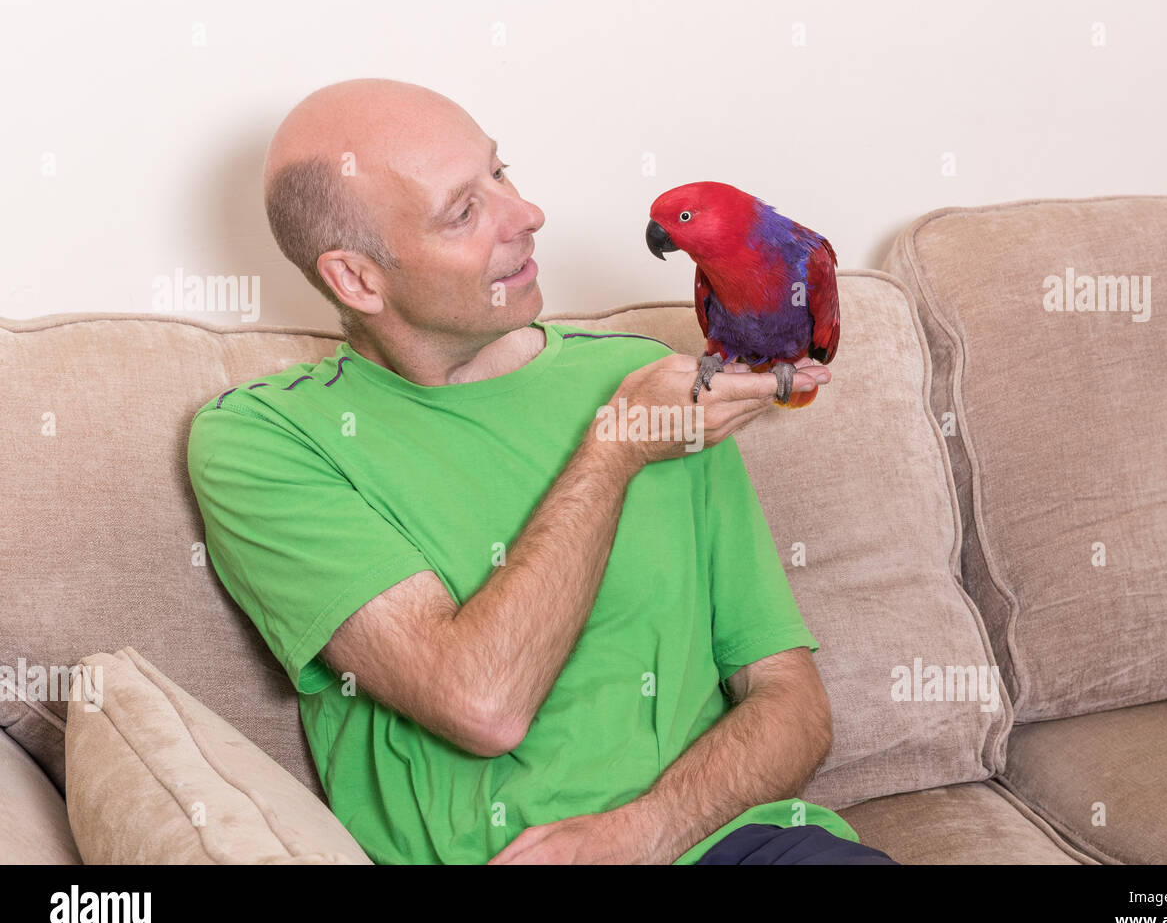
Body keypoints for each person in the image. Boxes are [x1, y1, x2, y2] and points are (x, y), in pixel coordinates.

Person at [186, 77, 898, 865]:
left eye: (501, 171)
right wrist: (615, 449)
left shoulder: (653, 379)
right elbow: (482, 702)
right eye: (464, 210)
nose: (526, 214)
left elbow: (793, 704)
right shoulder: (266, 440)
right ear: (357, 279)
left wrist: (641, 832)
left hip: (738, 847)